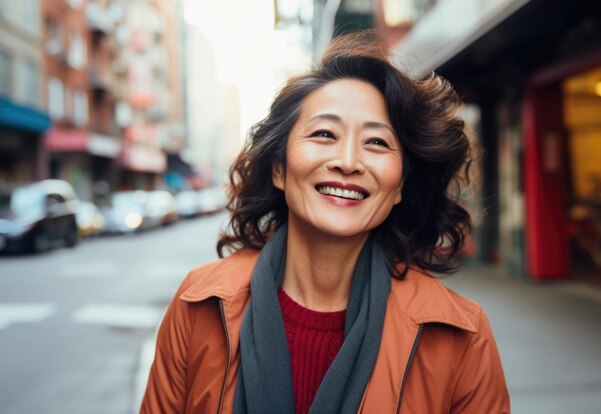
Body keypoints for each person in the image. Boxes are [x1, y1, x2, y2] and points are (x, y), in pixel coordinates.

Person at [141, 32, 510, 414]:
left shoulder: (460, 334)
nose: (348, 161)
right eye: (323, 134)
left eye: (377, 143)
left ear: (399, 184)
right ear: (280, 168)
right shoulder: (199, 303)